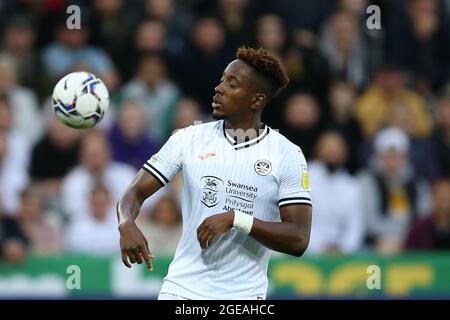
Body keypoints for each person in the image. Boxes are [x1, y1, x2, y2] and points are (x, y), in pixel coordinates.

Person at [117, 47, 312, 300]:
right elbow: (135, 191)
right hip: (182, 290)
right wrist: (126, 223)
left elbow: (298, 238)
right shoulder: (188, 138)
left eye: (232, 84)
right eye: (222, 79)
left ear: (256, 100)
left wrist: (236, 219)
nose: (219, 88)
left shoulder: (287, 154)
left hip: (243, 296)